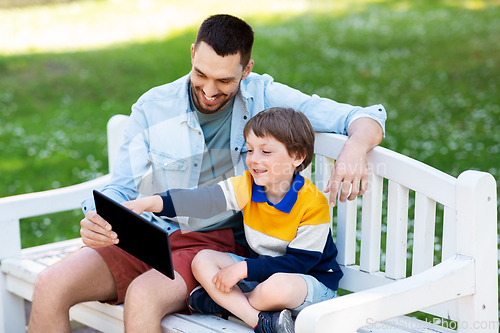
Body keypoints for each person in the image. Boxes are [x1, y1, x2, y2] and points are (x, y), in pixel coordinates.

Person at [28, 14, 386, 333]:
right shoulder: (154, 107)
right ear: (192, 54)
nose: (210, 90)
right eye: (201, 74)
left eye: (224, 81)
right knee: (50, 285)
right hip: (149, 234)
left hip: (213, 244)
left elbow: (365, 116)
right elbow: (121, 188)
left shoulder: (265, 96)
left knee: (143, 297)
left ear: (246, 71)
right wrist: (99, 218)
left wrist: (354, 149)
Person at [124, 107, 342, 333]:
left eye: (266, 152)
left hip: (308, 282)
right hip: (261, 276)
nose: (254, 160)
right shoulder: (247, 185)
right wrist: (149, 203)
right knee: (203, 259)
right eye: (249, 150)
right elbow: (202, 200)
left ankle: (222, 304)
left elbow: (299, 263)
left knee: (276, 288)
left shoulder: (313, 203)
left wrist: (244, 269)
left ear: (297, 156)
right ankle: (260, 321)